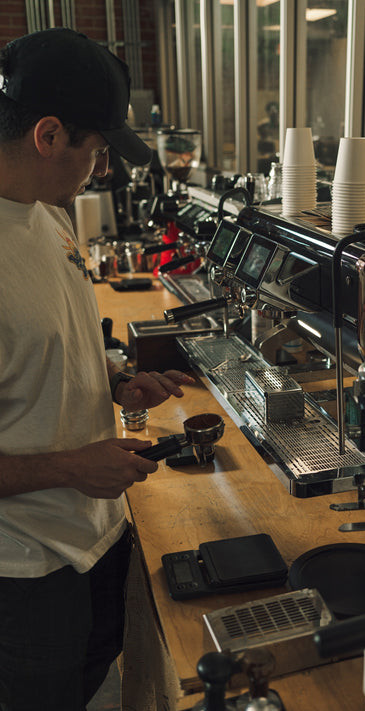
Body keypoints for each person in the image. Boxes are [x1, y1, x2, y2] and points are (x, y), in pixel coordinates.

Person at [0, 28, 195, 710]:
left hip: (94, 538)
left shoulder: (46, 215)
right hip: (24, 577)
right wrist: (71, 467)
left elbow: (53, 339)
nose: (102, 168)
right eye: (98, 149)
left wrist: (114, 381)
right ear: (48, 136)